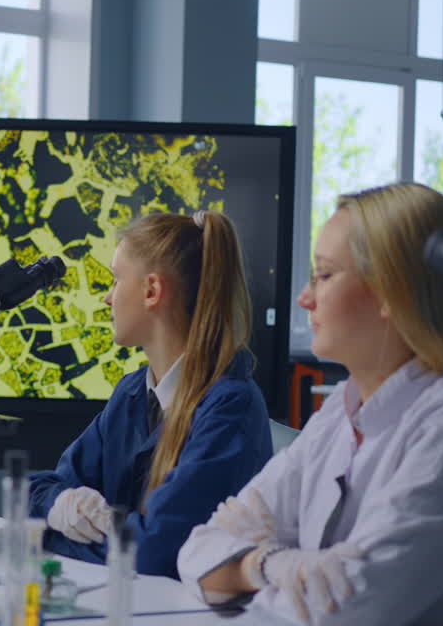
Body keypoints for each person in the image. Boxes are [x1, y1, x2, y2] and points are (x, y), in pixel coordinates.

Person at [177, 182, 443, 626]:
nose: (304, 297)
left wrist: (248, 572)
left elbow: (341, 612)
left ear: (392, 291)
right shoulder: (336, 418)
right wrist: (267, 564)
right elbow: (196, 553)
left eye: (323, 275)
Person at [28, 211, 273, 579]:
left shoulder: (231, 408)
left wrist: (50, 536)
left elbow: (154, 552)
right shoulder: (133, 392)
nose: (108, 299)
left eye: (115, 280)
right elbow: (37, 490)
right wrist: (59, 504)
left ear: (152, 291)